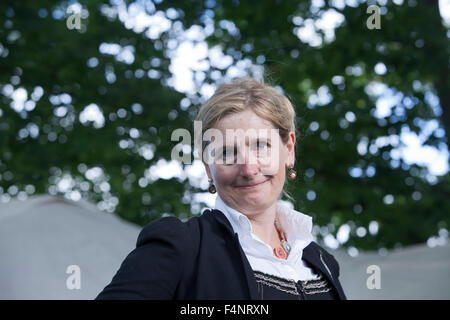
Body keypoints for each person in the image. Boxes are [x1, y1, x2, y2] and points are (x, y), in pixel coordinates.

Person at [96, 77, 346, 300]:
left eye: (261, 146)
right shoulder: (181, 246)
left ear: (288, 150)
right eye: (227, 152)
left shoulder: (321, 261)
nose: (248, 169)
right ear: (208, 168)